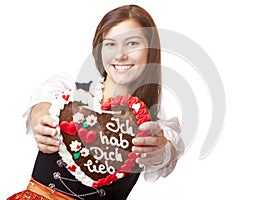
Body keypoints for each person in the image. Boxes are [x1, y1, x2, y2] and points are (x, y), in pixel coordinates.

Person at [8, 4, 184, 200]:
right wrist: (40, 118)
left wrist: (161, 153)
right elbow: (42, 104)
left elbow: (167, 152)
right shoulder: (69, 94)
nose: (120, 55)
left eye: (132, 44)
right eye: (110, 44)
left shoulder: (153, 128)